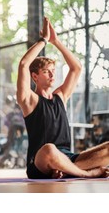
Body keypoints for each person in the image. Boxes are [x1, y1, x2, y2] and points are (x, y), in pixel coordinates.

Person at [16, 16, 109, 179]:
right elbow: (24, 64)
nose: (52, 74)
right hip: (40, 162)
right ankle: (87, 174)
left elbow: (76, 68)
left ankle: (66, 169)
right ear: (35, 77)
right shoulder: (29, 100)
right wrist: (44, 40)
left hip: (68, 158)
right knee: (49, 149)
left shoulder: (60, 96)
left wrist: (56, 41)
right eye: (46, 71)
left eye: (53, 70)